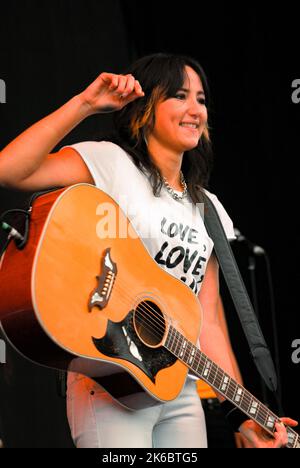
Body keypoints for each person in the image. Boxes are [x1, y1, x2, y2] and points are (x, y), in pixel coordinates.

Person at [0, 53, 297, 449]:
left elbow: (207, 322)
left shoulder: (209, 209)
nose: (195, 110)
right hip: (110, 380)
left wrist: (241, 416)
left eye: (202, 99)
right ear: (144, 108)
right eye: (179, 96)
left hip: (180, 389)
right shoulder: (111, 163)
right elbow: (10, 169)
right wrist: (85, 104)